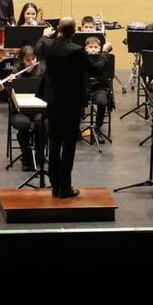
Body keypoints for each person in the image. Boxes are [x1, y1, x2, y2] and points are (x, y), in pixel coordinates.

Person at [35, 17, 106, 198]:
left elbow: (38, 47)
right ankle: (65, 187)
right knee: (68, 145)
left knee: (54, 141)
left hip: (53, 101)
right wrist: (104, 53)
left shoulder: (47, 45)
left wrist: (44, 35)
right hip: (72, 103)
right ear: (74, 32)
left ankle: (54, 186)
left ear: (58, 28)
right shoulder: (76, 51)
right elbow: (96, 69)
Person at [7, 45, 46, 171]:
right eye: (28, 60)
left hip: (39, 109)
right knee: (24, 125)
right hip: (20, 111)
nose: (32, 62)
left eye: (33, 59)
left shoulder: (42, 71)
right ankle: (26, 156)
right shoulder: (16, 72)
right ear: (22, 61)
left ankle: (40, 155)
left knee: (41, 123)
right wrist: (8, 85)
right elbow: (8, 96)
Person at [84, 37, 111, 137]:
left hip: (100, 87)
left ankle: (97, 126)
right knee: (75, 100)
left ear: (100, 48)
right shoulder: (83, 58)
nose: (93, 49)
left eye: (95, 47)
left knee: (102, 101)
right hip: (86, 86)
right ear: (86, 48)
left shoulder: (105, 58)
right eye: (90, 47)